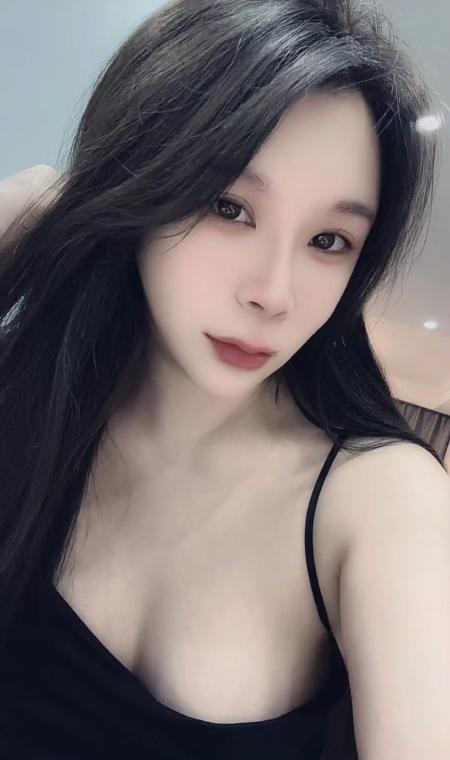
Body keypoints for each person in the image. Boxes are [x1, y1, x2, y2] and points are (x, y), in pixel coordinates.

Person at [0, 1, 449, 758]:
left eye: (328, 240)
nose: (274, 293)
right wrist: (28, 209)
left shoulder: (378, 498)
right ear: (143, 182)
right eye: (228, 206)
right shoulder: (32, 411)